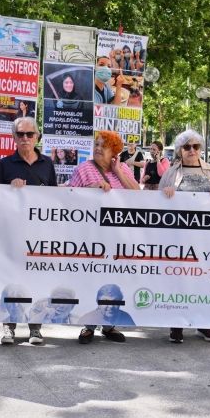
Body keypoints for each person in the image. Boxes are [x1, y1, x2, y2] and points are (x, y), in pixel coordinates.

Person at [68, 130, 139, 344]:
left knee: (113, 279)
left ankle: (109, 326)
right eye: (96, 144)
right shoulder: (83, 169)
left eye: (103, 146)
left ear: (114, 151)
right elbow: (68, 199)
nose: (98, 148)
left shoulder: (123, 168)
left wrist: (118, 172)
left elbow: (139, 194)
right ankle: (88, 326)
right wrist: (89, 189)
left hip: (117, 237)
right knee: (91, 278)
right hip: (90, 236)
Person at [159, 129, 210, 343]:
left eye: (195, 146)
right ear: (179, 150)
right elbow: (156, 202)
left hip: (206, 237)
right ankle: (176, 323)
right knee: (178, 279)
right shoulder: (171, 172)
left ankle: (202, 323)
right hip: (178, 237)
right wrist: (166, 193)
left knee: (203, 279)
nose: (191, 150)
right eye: (186, 147)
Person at [0, 117, 57, 345]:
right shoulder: (5, 164)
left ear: (37, 136)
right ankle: (9, 326)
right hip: (12, 233)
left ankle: (35, 327)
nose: (25, 138)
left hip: (38, 234)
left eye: (30, 134)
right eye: (20, 134)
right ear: (14, 137)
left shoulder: (47, 164)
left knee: (35, 279)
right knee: (10, 280)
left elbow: (55, 198)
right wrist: (9, 189)